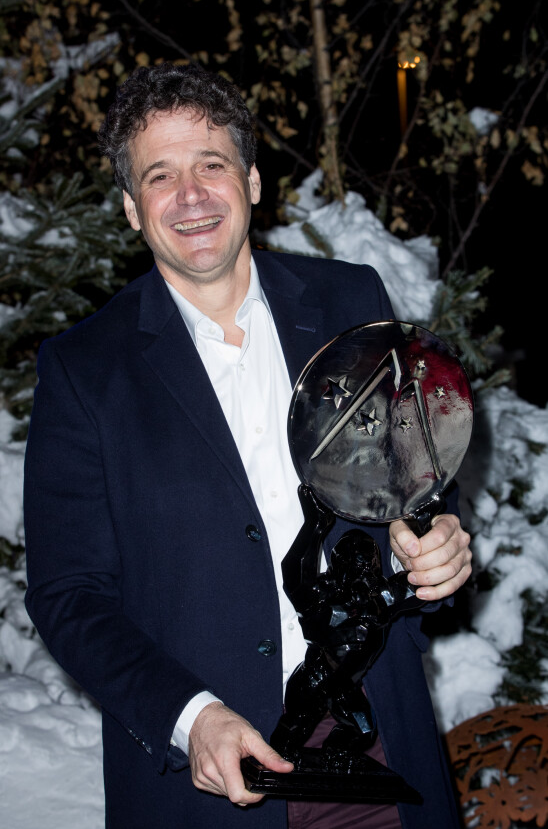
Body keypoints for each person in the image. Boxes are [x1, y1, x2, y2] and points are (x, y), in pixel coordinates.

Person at [24, 63, 471, 829]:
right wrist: (190, 715)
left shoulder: (349, 301)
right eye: (160, 176)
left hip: (379, 749)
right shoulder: (84, 370)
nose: (191, 196)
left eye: (211, 165)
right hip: (213, 779)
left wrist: (441, 549)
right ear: (133, 209)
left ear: (254, 181)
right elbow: (70, 598)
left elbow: (420, 484)